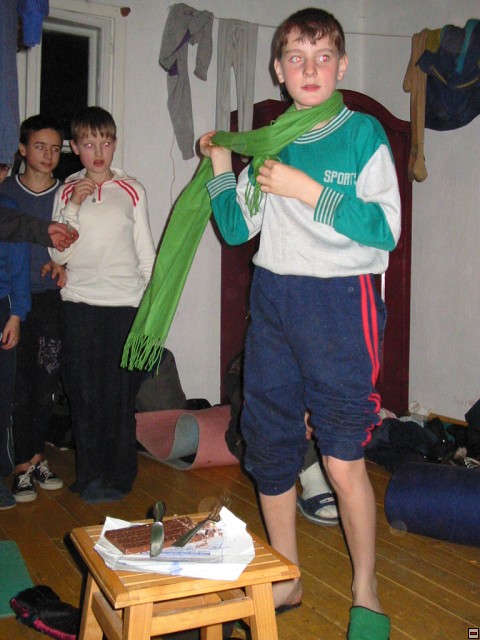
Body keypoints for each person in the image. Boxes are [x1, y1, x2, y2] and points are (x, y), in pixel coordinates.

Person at [199, 8, 400, 640]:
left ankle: (365, 590)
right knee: (271, 446)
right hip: (276, 302)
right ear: (278, 70)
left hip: (342, 302)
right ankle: (286, 578)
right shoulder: (271, 139)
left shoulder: (364, 133)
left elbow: (385, 229)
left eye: (322, 57)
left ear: (341, 66)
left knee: (341, 455)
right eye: (296, 58)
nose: (309, 69)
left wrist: (305, 189)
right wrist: (220, 167)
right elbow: (237, 228)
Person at [49, 106, 156, 504]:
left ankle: (120, 475)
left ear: (114, 144)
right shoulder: (65, 191)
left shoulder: (132, 189)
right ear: (75, 147)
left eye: (105, 143)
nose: (98, 152)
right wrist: (74, 206)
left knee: (120, 394)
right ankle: (90, 476)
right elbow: (58, 256)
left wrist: (152, 304)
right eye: (89, 144)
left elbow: (145, 251)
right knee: (84, 393)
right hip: (79, 303)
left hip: (125, 305)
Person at [0, 115, 67, 503]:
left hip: (48, 299)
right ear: (22, 149)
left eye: (56, 148)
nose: (48, 155)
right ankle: (20, 465)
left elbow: (83, 240)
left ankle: (37, 457)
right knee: (17, 385)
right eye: (40, 146)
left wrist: (66, 264)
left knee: (44, 382)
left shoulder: (67, 192)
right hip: (10, 300)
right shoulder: (6, 191)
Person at [0, 193, 30, 509]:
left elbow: (20, 267)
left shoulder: (10, 210)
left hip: (2, 307)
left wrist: (16, 314)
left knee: (2, 396)